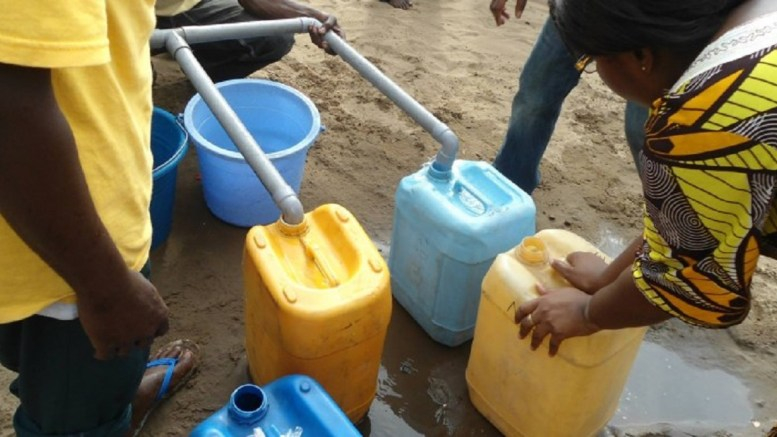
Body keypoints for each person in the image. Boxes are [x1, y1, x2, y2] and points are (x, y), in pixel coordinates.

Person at [515, 0, 777, 357]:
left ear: (641, 55)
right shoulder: (752, 22)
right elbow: (690, 223)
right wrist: (605, 281)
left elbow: (694, 283)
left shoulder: (704, 115)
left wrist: (589, 313)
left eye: (592, 61)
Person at [0, 1, 198, 436]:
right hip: (65, 261)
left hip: (39, 241)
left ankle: (106, 402)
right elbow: (8, 105)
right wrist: (105, 288)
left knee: (46, 370)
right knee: (74, 415)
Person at [488, 0, 649, 193]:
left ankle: (668, 213)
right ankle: (510, 183)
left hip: (656, 18)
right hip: (580, 9)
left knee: (646, 130)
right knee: (535, 96)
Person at [155, 0, 345, 82]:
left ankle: (205, 78)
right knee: (140, 80)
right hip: (130, 19)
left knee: (275, 38)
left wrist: (315, 17)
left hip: (188, 7)